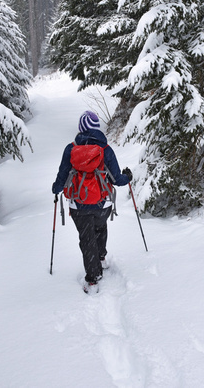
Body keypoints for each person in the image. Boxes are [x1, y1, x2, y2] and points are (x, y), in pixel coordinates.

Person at [52, 111, 132, 293]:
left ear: (81, 128)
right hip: (102, 203)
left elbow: (62, 176)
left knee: (86, 238)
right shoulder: (105, 150)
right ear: (97, 128)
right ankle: (101, 257)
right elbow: (116, 179)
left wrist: (55, 189)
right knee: (100, 227)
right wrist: (127, 177)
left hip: (78, 204)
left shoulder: (70, 149)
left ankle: (93, 278)